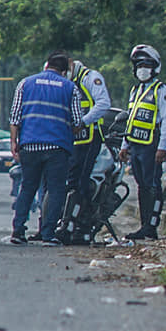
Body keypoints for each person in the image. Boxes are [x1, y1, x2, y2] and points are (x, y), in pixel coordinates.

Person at [8, 52, 84, 245]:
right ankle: (48, 233)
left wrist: (14, 142)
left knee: (27, 187)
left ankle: (18, 231)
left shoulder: (25, 83)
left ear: (46, 65)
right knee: (56, 190)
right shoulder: (70, 87)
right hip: (57, 147)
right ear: (64, 71)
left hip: (29, 145)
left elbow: (15, 117)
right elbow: (77, 121)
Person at [119, 45, 166, 241]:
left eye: (146, 65)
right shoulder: (135, 91)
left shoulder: (162, 91)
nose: (142, 69)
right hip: (135, 145)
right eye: (138, 65)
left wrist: (163, 147)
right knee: (141, 185)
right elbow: (131, 119)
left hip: (152, 146)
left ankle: (152, 226)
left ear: (155, 68)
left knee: (153, 185)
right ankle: (144, 225)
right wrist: (124, 146)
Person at [55, 57, 112, 244]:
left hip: (90, 138)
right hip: (74, 139)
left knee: (80, 181)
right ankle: (68, 224)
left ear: (71, 66)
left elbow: (103, 104)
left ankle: (77, 225)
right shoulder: (70, 84)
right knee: (72, 181)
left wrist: (83, 122)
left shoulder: (90, 77)